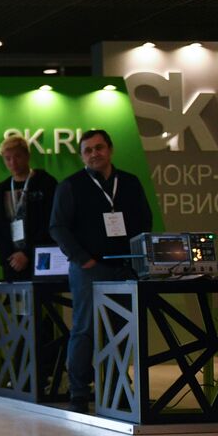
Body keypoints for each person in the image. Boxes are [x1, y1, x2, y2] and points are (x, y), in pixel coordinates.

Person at [49, 129, 153, 413]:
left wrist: (138, 262)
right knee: (85, 330)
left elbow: (145, 221)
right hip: (89, 270)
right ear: (82, 156)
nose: (94, 154)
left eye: (99, 148)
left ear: (110, 149)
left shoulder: (129, 183)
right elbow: (57, 227)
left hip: (125, 268)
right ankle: (79, 392)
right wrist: (83, 259)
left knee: (121, 331)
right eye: (88, 150)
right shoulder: (71, 185)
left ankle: (119, 388)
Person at [0, 135, 58, 281]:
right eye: (7, 158)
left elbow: (51, 221)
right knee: (14, 301)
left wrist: (27, 253)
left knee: (44, 300)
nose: (13, 162)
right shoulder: (0, 190)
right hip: (12, 262)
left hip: (41, 257)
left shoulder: (46, 183)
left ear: (27, 156)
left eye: (17, 156)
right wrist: (9, 255)